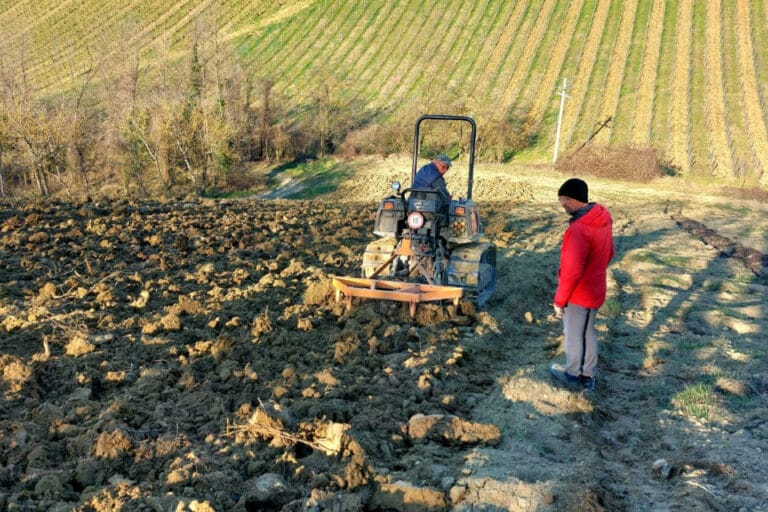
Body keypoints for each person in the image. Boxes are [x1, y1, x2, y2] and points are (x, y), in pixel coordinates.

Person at [550, 178, 614, 392]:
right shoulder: (602, 218)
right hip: (596, 288)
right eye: (561, 199)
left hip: (580, 293)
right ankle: (588, 376)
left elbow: (571, 271)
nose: (563, 204)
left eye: (566, 199)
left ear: (578, 199)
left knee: (573, 334)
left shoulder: (578, 230)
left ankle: (572, 374)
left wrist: (560, 300)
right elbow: (609, 253)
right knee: (588, 332)